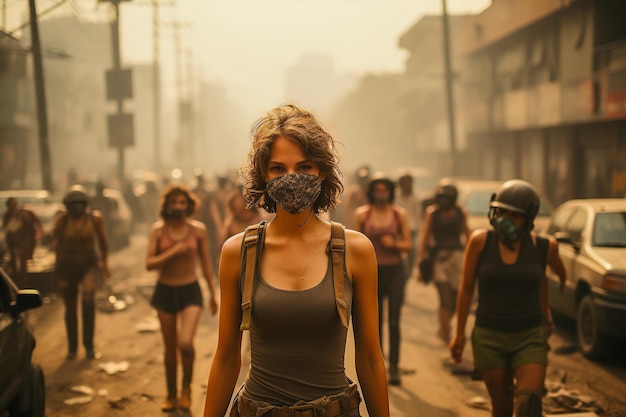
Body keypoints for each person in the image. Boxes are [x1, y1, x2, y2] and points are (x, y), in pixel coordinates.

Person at [202, 104, 390, 417]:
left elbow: (370, 357)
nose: (291, 179)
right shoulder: (239, 252)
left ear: (323, 172)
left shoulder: (355, 250)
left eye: (304, 167)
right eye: (278, 168)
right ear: (263, 174)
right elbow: (225, 358)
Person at [450, 179, 567, 417]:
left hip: (530, 336)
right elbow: (466, 289)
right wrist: (459, 333)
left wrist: (548, 310)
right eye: (501, 212)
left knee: (529, 405)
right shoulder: (480, 241)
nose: (505, 220)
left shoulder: (545, 247)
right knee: (501, 408)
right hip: (489, 338)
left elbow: (547, 275)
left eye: (515, 215)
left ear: (529, 218)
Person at [145, 184, 218, 412]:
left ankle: (186, 389)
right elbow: (149, 264)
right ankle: (170, 394)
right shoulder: (158, 230)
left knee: (185, 343)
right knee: (169, 348)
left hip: (190, 291)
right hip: (165, 292)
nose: (177, 206)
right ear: (167, 206)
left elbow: (205, 263)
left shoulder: (198, 230)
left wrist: (212, 294)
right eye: (173, 202)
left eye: (182, 202)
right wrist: (171, 253)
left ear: (189, 206)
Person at [355, 176, 411, 386]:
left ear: (390, 191)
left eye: (384, 190)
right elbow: (356, 243)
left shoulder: (398, 214)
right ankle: (376, 365)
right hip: (372, 273)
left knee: (394, 320)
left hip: (395, 270)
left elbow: (408, 245)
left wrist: (394, 244)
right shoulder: (363, 213)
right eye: (377, 190)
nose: (381, 193)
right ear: (371, 192)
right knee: (373, 322)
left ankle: (395, 366)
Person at [52, 187, 109, 360]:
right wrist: (59, 274)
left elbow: (103, 244)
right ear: (67, 207)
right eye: (72, 205)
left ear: (85, 206)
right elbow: (58, 246)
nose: (76, 208)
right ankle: (72, 348)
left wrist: (105, 266)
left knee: (88, 303)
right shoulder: (62, 221)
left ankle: (89, 346)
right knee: (70, 309)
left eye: (79, 204)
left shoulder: (95, 219)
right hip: (68, 267)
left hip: (88, 266)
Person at [416, 180, 470, 344]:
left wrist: (473, 255)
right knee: (444, 296)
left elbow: (467, 234)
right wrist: (420, 262)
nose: (443, 200)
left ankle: (444, 324)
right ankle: (446, 331)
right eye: (441, 197)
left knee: (455, 297)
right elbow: (425, 237)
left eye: (446, 197)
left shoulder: (460, 212)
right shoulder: (432, 213)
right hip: (439, 258)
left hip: (457, 258)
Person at [2, 197, 42, 286]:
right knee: (14, 262)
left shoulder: (24, 214)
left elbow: (32, 226)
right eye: (12, 205)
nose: (14, 207)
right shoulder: (7, 216)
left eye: (15, 205)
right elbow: (7, 230)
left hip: (23, 241)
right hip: (13, 241)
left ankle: (23, 283)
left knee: (23, 261)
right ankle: (16, 281)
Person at [395, 173, 421, 279]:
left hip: (412, 229)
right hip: (398, 229)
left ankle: (408, 273)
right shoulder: (396, 197)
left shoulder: (415, 197)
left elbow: (417, 215)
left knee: (413, 249)